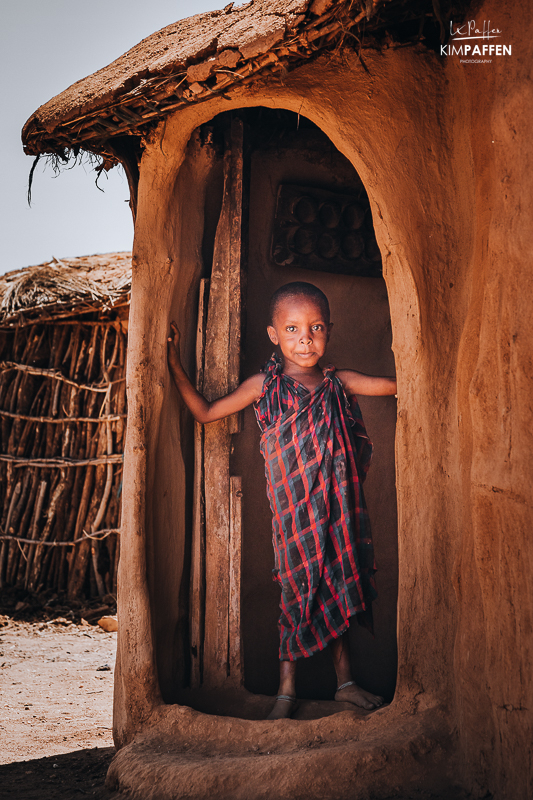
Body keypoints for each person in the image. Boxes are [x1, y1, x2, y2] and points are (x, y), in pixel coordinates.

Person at [167, 281, 397, 720]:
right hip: (294, 518)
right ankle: (286, 689)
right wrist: (174, 362)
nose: (304, 338)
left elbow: (396, 384)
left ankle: (345, 684)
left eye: (315, 328)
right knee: (297, 588)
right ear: (274, 335)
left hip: (338, 512)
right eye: (292, 329)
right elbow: (205, 412)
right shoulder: (264, 387)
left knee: (336, 584)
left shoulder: (338, 384)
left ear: (329, 331)